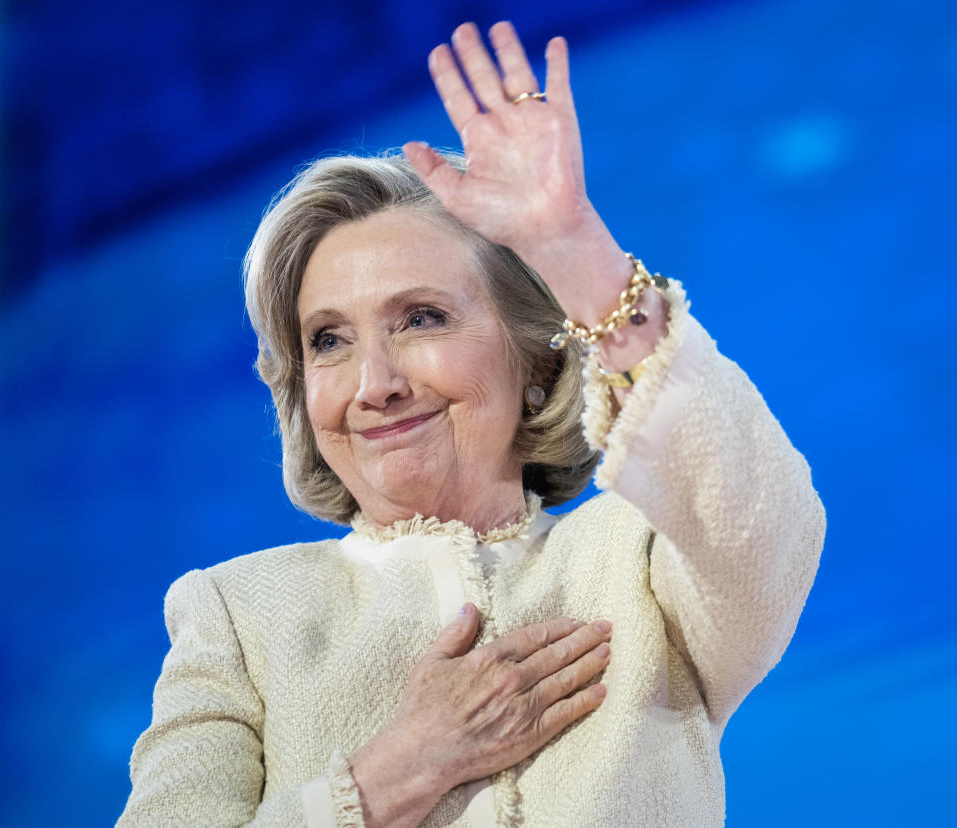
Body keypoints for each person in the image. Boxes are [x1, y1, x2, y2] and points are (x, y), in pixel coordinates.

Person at [118, 20, 824, 828]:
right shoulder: (238, 617)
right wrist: (395, 773)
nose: (374, 385)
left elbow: (765, 526)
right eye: (329, 341)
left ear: (534, 364)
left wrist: (576, 251)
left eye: (421, 319)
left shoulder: (644, 568)